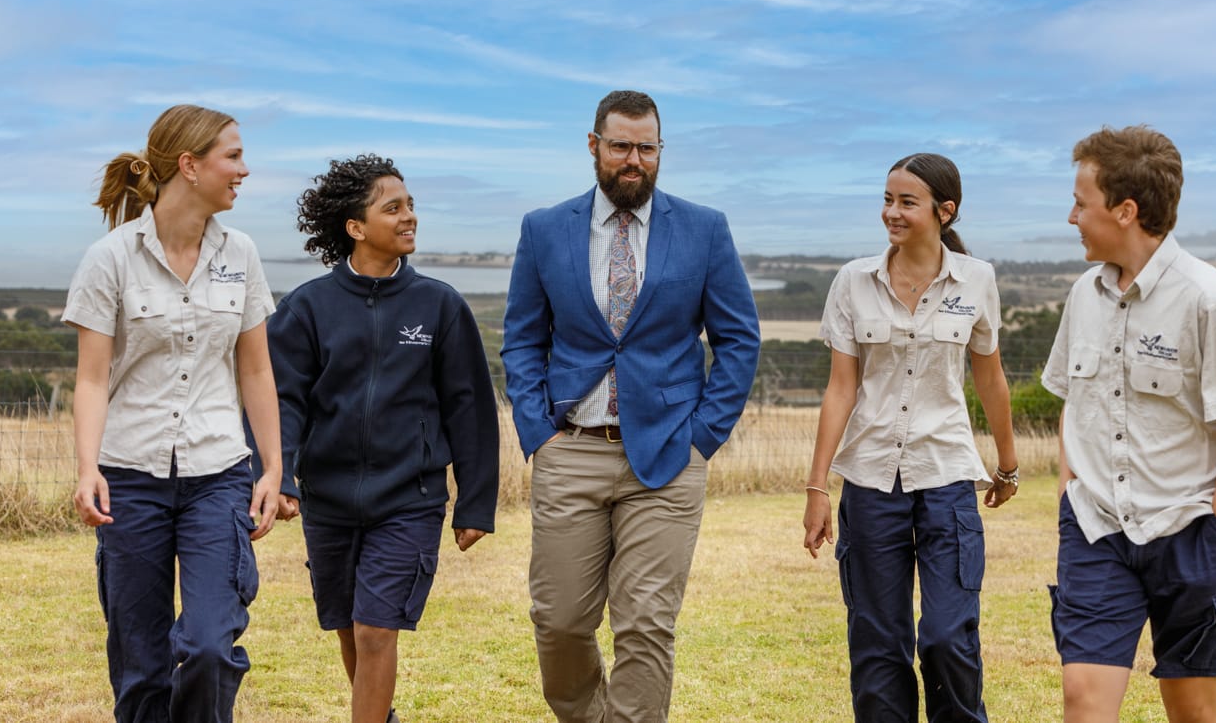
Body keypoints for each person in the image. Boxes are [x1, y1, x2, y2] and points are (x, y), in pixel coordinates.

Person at [502, 89, 761, 722]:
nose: (634, 160)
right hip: (571, 449)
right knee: (560, 622)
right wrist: (537, 431)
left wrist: (702, 436)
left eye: (647, 148)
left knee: (646, 625)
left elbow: (738, 339)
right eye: (621, 146)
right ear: (594, 146)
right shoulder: (543, 228)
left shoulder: (704, 228)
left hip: (670, 455)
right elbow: (522, 340)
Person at [257, 154, 500, 723]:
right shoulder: (307, 307)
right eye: (393, 208)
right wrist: (278, 474)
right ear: (356, 227)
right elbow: (282, 400)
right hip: (328, 500)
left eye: (410, 205)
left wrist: (476, 502)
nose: (409, 216)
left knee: (374, 630)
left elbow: (469, 408)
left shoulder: (440, 305)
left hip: (409, 499)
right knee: (348, 627)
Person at [1041, 126, 1216, 723]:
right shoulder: (1082, 296)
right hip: (1097, 528)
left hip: (1189, 528)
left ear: (1125, 211)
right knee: (1083, 699)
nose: (1071, 217)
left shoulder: (1211, 301)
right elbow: (1074, 400)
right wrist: (1069, 492)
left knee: (1192, 708)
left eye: (1081, 204)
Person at [63, 103, 283, 723]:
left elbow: (256, 370)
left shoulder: (242, 253)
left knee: (211, 646)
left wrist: (273, 467)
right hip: (129, 477)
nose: (244, 170)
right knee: (142, 665)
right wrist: (87, 468)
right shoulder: (110, 258)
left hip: (219, 473)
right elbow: (91, 378)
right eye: (233, 156)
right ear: (189, 165)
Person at [803, 153, 1019, 722]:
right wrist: (817, 487)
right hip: (871, 482)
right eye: (887, 199)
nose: (891, 213)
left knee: (948, 637)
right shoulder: (853, 281)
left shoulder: (977, 280)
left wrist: (1008, 463)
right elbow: (841, 389)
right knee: (877, 643)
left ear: (945, 211)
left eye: (906, 202)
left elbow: (990, 377)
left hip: (947, 476)